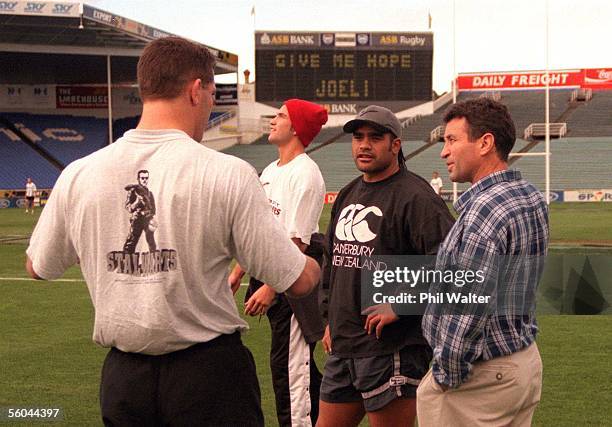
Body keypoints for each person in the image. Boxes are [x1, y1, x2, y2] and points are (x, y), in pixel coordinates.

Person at [25, 36, 321, 427]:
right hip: (209, 377)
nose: (212, 104)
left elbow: (37, 267)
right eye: (214, 94)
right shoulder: (227, 173)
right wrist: (315, 260)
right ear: (196, 90)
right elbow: (296, 280)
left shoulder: (79, 174)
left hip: (124, 382)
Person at [317, 105, 455, 427]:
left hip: (391, 349)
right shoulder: (348, 193)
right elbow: (332, 261)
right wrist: (330, 318)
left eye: (375, 137)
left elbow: (452, 265)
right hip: (344, 345)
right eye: (358, 137)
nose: (364, 145)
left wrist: (402, 304)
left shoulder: (416, 196)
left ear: (395, 145)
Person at [417, 98, 549, 427]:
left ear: (485, 143)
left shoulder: (483, 210)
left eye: (452, 140)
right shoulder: (529, 194)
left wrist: (446, 373)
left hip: (482, 379)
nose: (444, 152)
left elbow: (467, 307)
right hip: (522, 361)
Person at [228, 99, 327, 426]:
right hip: (275, 277)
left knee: (291, 369)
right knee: (293, 367)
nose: (273, 120)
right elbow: (258, 230)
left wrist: (271, 288)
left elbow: (297, 243)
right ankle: (334, 412)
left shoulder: (306, 174)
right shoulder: (271, 171)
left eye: (281, 116)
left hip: (294, 284)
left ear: (296, 127)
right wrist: (238, 272)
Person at [123, 169, 157, 253]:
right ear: (138, 179)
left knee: (151, 242)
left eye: (146, 178)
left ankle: (153, 261)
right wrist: (137, 202)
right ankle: (126, 261)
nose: (145, 180)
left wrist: (150, 216)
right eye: (142, 178)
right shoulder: (133, 191)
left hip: (148, 219)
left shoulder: (150, 193)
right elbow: (128, 207)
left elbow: (153, 209)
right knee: (131, 242)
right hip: (137, 219)